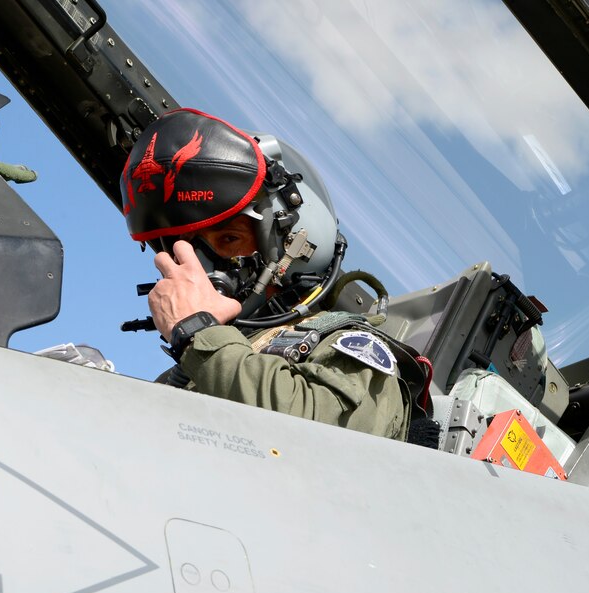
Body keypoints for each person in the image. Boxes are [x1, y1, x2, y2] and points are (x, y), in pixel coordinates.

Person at [120, 109, 427, 441]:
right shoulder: (204, 363)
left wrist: (197, 333)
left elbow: (325, 437)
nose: (206, 269)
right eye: (193, 251)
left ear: (295, 243)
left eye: (229, 239)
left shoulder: (349, 349)